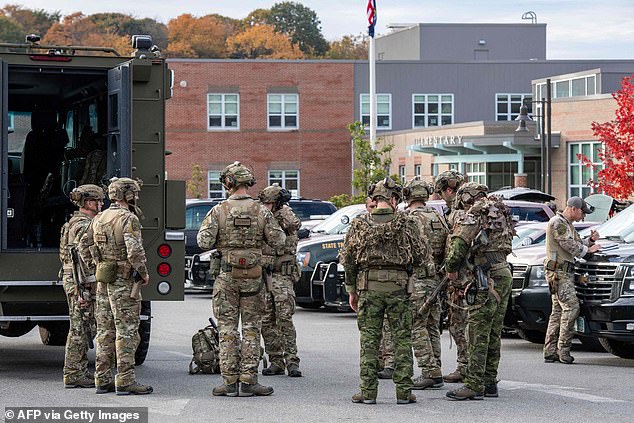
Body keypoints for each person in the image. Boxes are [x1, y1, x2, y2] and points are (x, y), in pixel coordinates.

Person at [197, 162, 285, 397]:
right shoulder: (262, 211)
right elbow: (278, 240)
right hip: (254, 278)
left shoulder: (218, 211)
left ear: (228, 183)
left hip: (226, 276)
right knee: (251, 329)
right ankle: (248, 381)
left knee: (227, 328)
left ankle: (228, 382)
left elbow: (204, 241)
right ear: (248, 183)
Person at [340, 178, 428, 405]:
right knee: (402, 340)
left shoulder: (360, 224)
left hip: (369, 288)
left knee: (369, 341)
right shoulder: (407, 223)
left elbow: (348, 261)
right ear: (393, 199)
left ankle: (368, 392)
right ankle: (404, 392)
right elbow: (420, 257)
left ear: (375, 199)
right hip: (399, 289)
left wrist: (352, 290)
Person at [78, 177, 152, 395]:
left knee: (105, 331)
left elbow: (84, 245)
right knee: (127, 331)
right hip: (124, 283)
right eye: (134, 194)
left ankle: (102, 379)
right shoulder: (128, 219)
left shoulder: (99, 217)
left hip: (104, 282)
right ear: (128, 195)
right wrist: (144, 274)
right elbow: (134, 251)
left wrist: (96, 265)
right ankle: (125, 380)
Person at [444, 183, 515, 400]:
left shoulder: (475, 213)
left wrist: (451, 269)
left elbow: (459, 244)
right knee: (493, 331)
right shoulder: (500, 211)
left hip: (486, 277)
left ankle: (474, 384)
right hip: (503, 272)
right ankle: (489, 381)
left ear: (466, 199)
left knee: (477, 330)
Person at [403, 177, 449, 390]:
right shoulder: (438, 217)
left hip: (418, 279)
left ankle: (430, 370)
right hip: (437, 279)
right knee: (432, 325)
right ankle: (435, 367)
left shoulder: (409, 219)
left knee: (415, 324)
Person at [543, 196, 600, 364]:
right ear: (574, 209)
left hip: (560, 273)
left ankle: (550, 351)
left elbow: (576, 241)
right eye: (582, 212)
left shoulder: (566, 224)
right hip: (559, 273)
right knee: (572, 307)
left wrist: (589, 241)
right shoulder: (558, 222)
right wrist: (588, 251)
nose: (583, 216)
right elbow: (568, 244)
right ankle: (563, 350)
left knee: (558, 311)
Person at [59, 184, 104, 388]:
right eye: (98, 201)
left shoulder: (74, 222)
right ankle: (74, 373)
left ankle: (77, 371)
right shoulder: (84, 226)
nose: (102, 204)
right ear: (88, 203)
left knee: (83, 327)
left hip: (77, 281)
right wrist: (80, 290)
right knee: (80, 328)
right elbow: (81, 259)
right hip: (81, 283)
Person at [259, 183, 303, 377]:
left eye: (269, 203)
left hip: (282, 275)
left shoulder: (285, 216)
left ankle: (292, 361)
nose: (266, 206)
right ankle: (275, 360)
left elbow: (294, 225)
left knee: (285, 318)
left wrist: (279, 211)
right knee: (267, 320)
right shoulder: (262, 217)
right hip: (266, 275)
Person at [433, 169, 467, 383]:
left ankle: (466, 366)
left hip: (460, 279)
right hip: (463, 278)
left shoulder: (458, 214)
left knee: (459, 323)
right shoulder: (464, 211)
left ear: (448, 190)